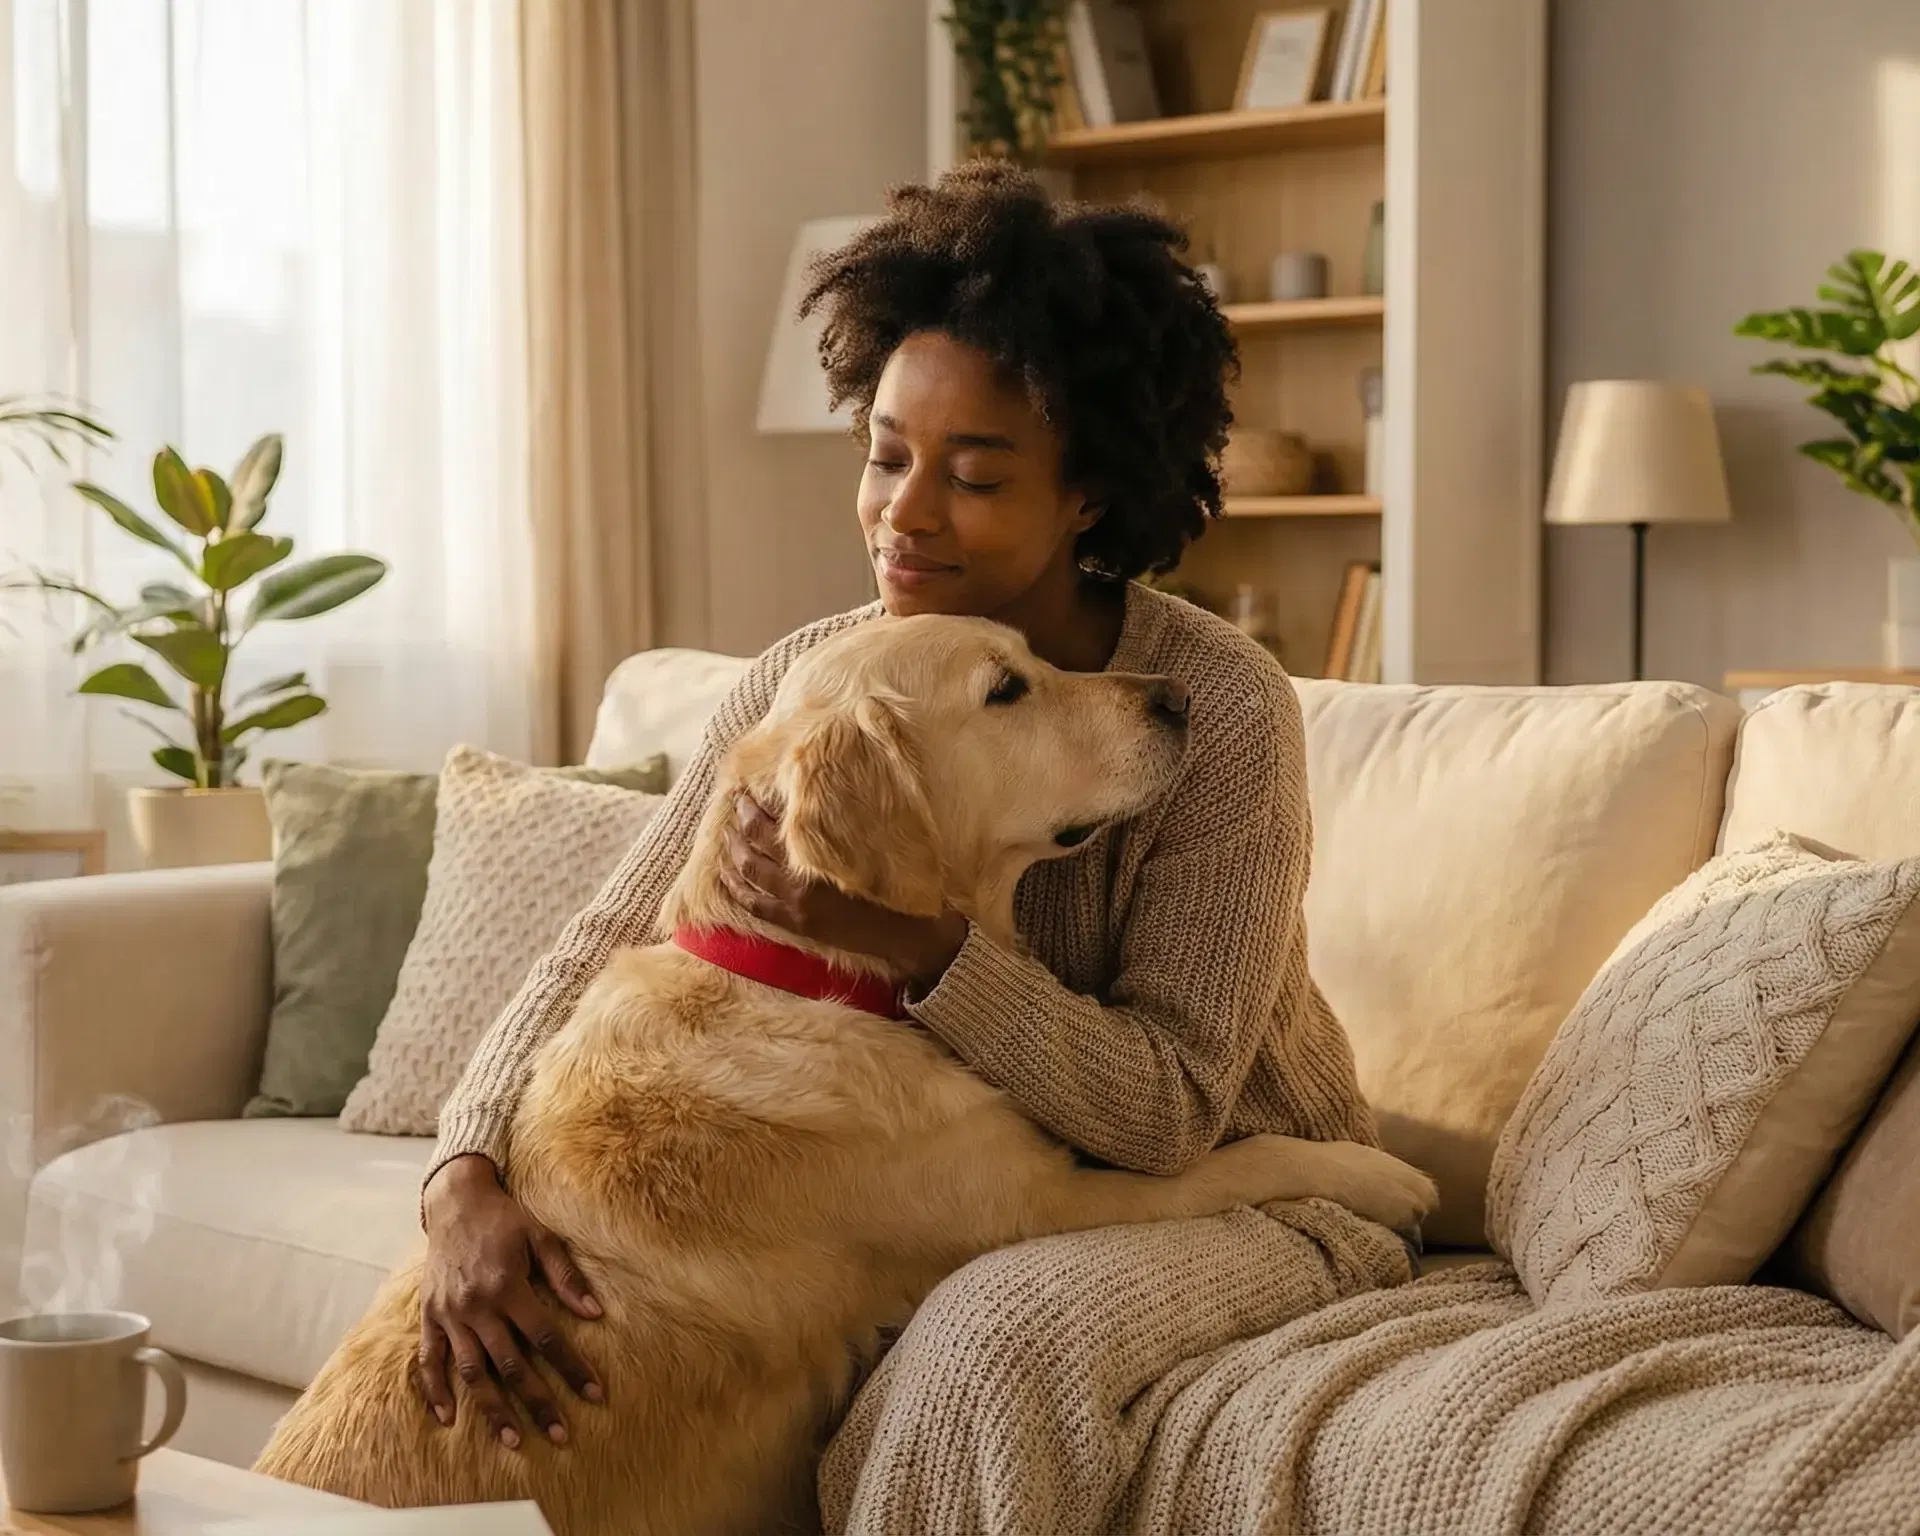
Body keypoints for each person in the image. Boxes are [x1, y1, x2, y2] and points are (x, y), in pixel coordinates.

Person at [413, 160, 1394, 1521]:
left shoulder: (1214, 713)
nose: (904, 511)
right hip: (944, 1182)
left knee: (985, 1338)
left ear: (1090, 495)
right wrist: (462, 1177)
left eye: (975, 476)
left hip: (1258, 1185)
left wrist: (911, 945)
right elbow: (610, 935)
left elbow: (1170, 1110)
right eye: (886, 455)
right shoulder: (818, 674)